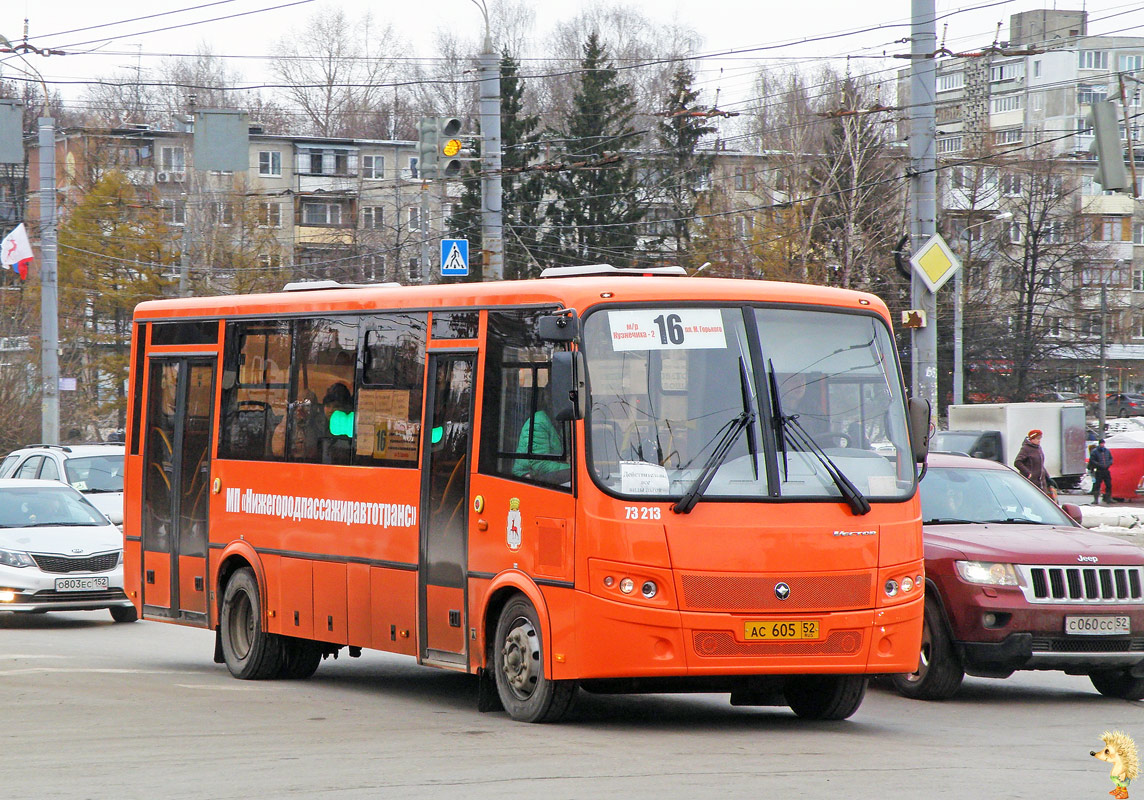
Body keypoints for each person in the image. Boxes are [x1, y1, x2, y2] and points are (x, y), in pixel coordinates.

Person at [512, 406, 566, 479]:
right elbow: (540, 464)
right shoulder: (538, 422)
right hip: (527, 477)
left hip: (546, 474)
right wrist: (573, 469)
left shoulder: (559, 423)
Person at [1014, 428, 1052, 498]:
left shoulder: (1038, 448)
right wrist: (1028, 473)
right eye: (1037, 438)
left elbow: (1040, 464)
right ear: (1032, 439)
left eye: (1040, 438)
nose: (1039, 440)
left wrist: (1047, 477)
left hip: (1041, 483)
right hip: (1031, 482)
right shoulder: (1026, 449)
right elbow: (1017, 462)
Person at [1089, 437, 1114, 504]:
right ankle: (1096, 499)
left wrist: (1109, 463)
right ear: (1099, 444)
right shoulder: (1095, 451)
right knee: (1097, 485)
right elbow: (1092, 460)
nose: (1102, 445)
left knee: (1109, 484)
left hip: (1106, 470)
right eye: (1101, 443)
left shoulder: (1107, 451)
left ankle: (1108, 498)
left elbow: (1111, 458)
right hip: (1099, 470)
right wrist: (1099, 464)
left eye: (1103, 443)